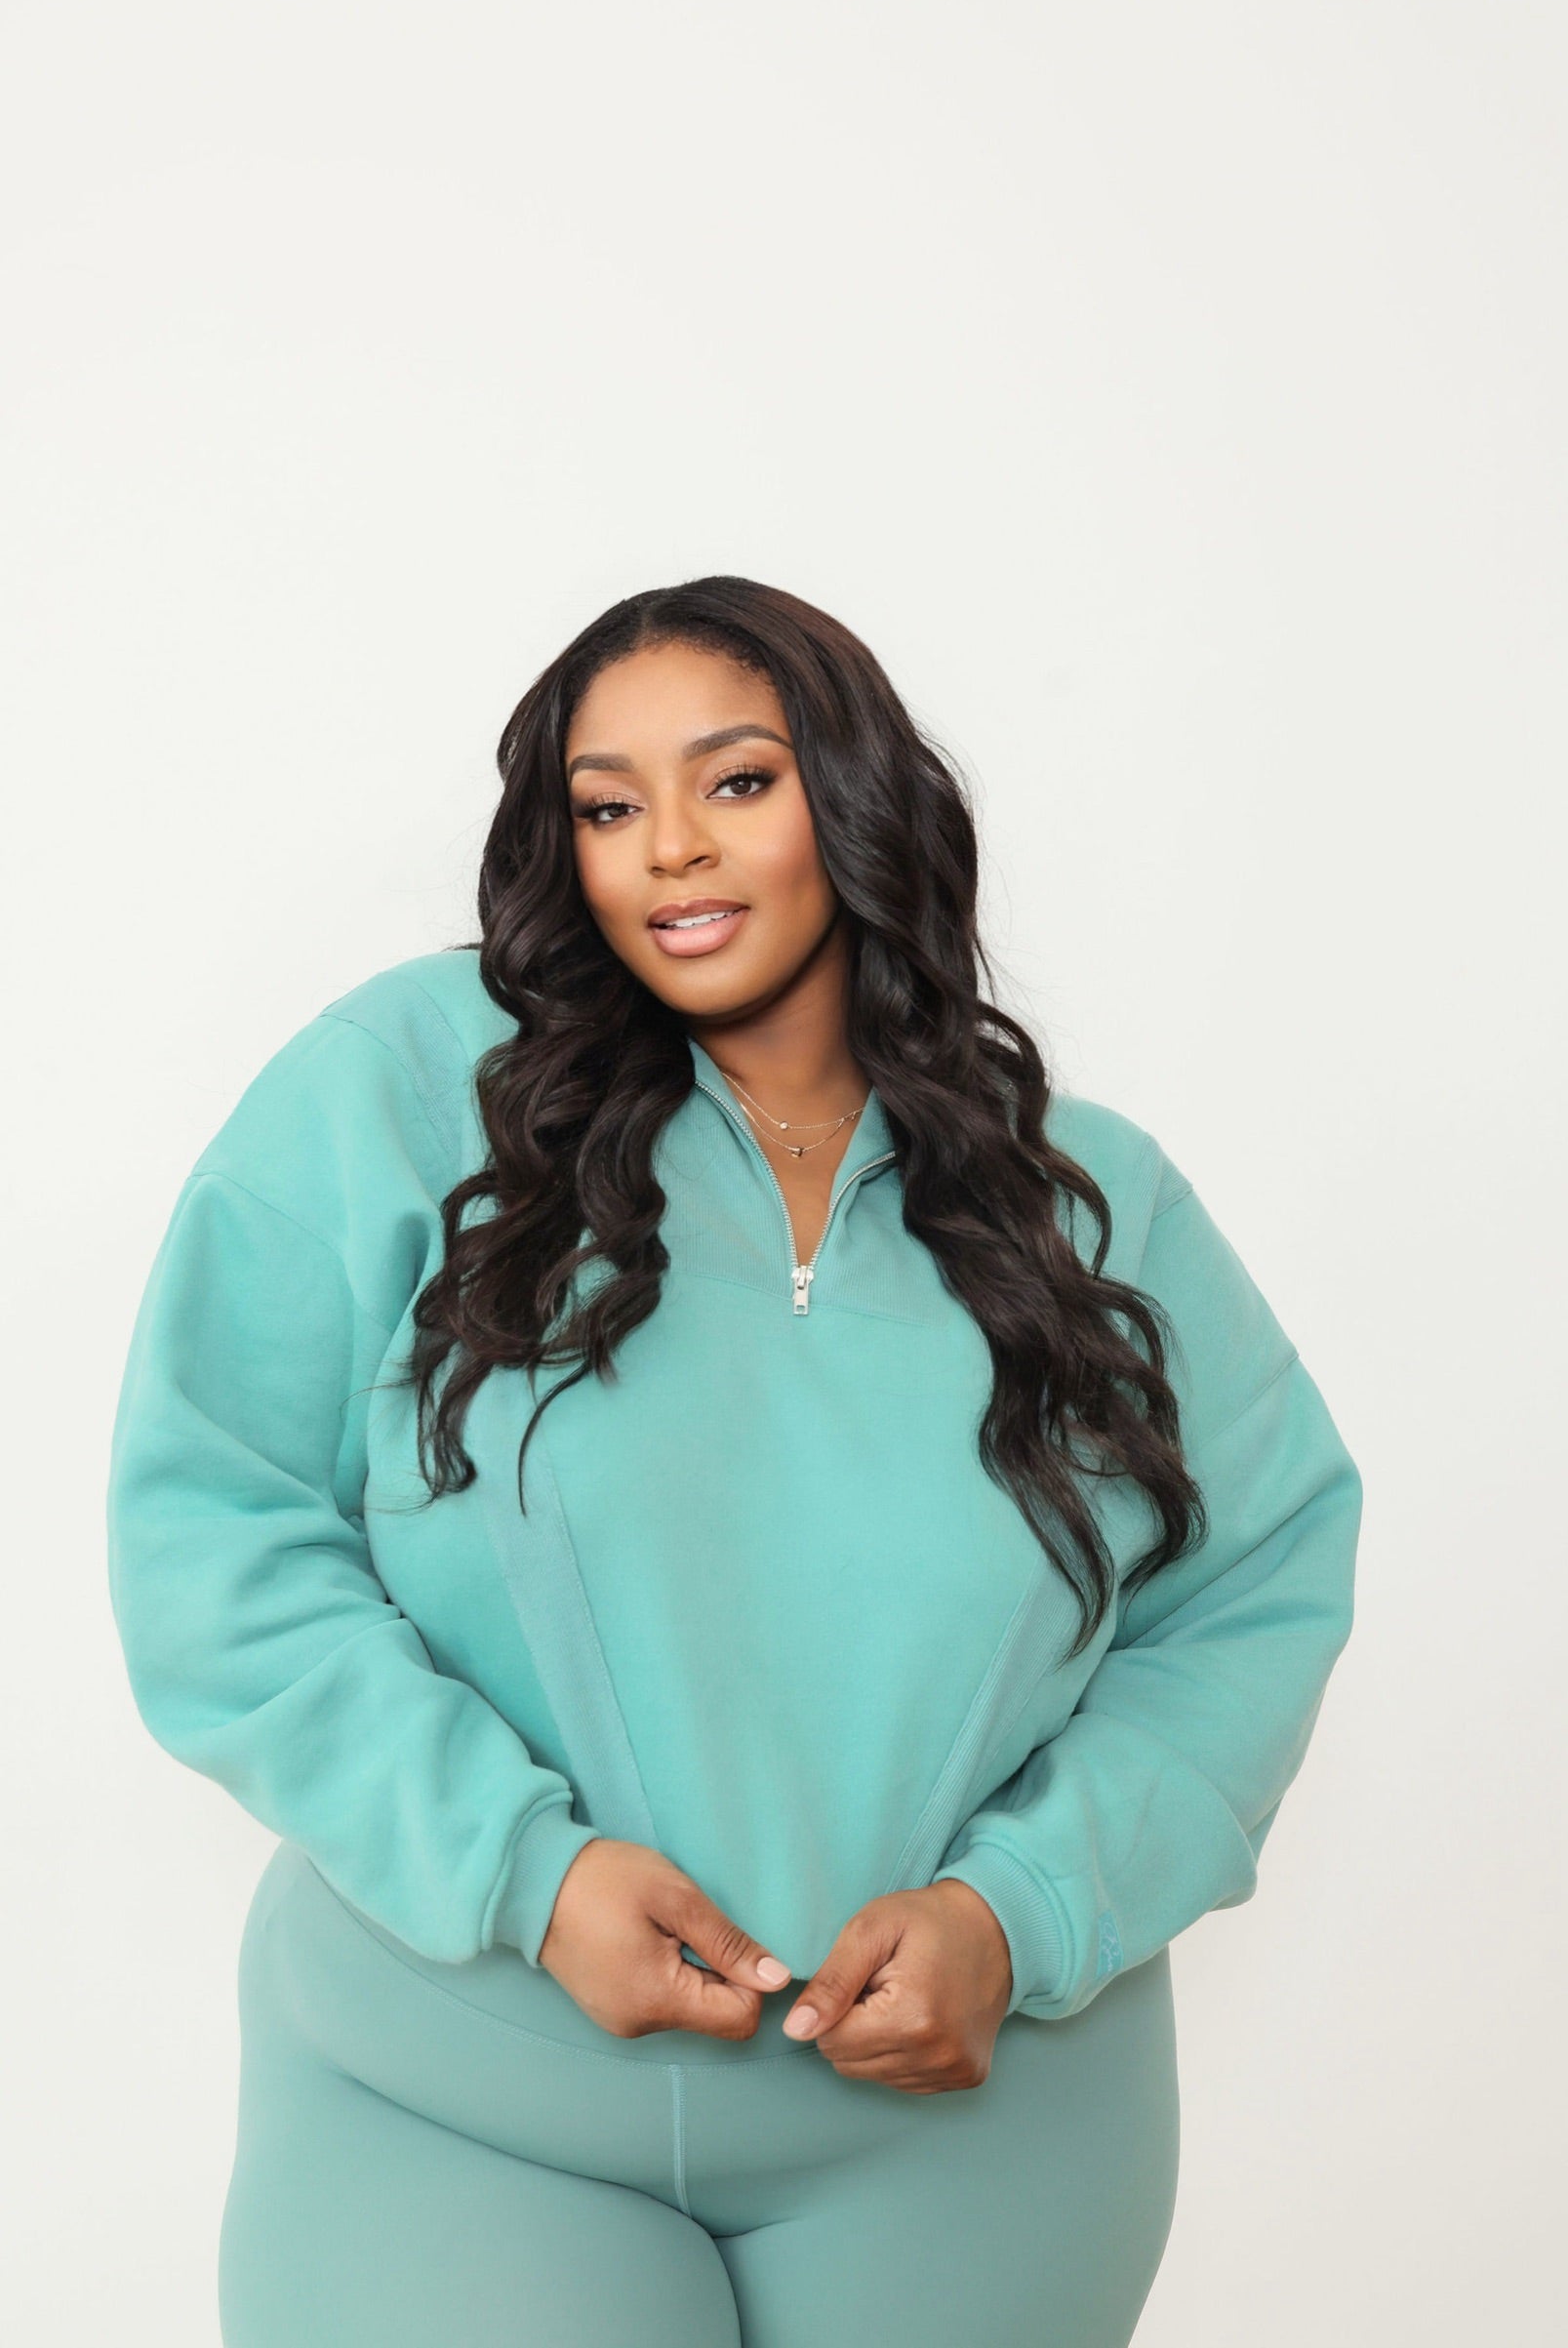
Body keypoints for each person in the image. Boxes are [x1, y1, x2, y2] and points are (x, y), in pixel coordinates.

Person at [105, 576, 1362, 2347]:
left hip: (974, 2132)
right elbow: (214, 1523)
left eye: (737, 782)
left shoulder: (1087, 1205)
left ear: (854, 797)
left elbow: (1254, 1590)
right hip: (458, 2088)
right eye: (608, 806)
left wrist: (1019, 1910)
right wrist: (521, 1870)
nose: (671, 850)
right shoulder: (407, 1091)